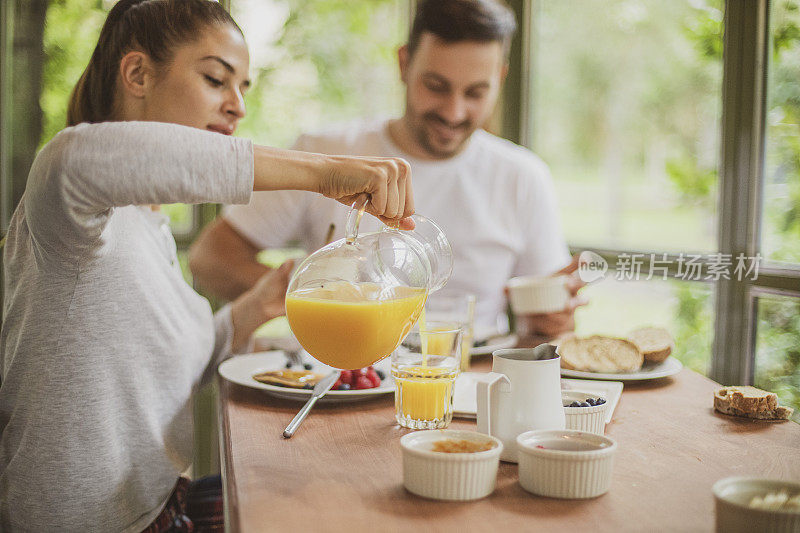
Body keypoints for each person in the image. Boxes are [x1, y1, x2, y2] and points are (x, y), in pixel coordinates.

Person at [0, 1, 413, 531]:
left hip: (163, 510)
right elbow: (79, 159)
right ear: (138, 74)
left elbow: (172, 362)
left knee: (333, 496)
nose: (237, 105)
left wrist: (253, 307)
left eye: (244, 87)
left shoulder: (146, 228)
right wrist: (323, 172)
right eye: (217, 79)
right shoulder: (69, 204)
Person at [189, 0, 583, 340]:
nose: (453, 111)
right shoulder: (325, 156)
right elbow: (209, 259)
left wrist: (552, 319)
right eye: (436, 85)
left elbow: (548, 326)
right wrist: (315, 293)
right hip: (344, 380)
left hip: (466, 385)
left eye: (475, 93)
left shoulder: (523, 177)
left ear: (499, 80)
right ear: (404, 64)